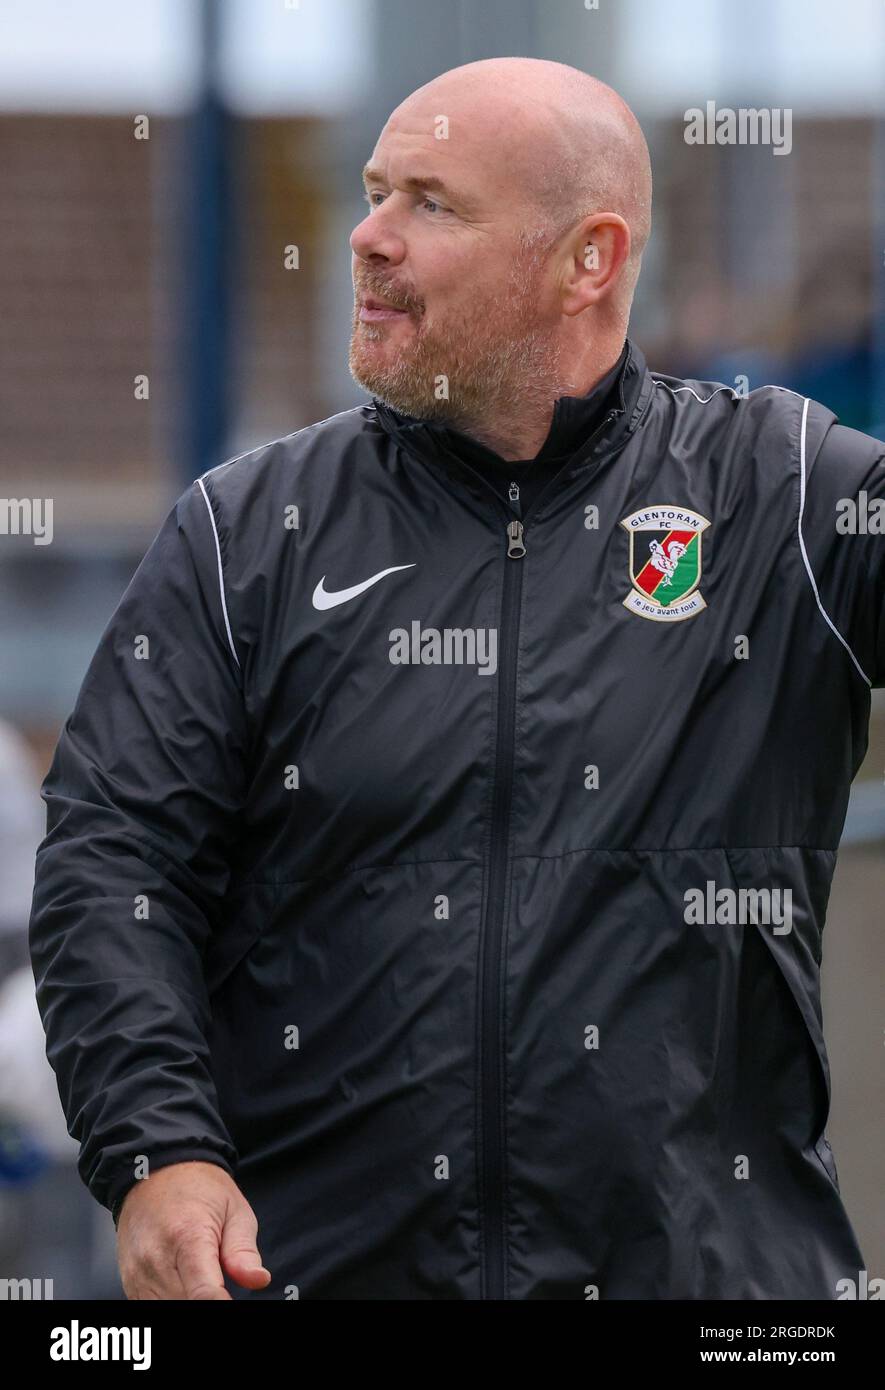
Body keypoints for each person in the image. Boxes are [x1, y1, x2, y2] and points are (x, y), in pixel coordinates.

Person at [29, 57, 884, 1300]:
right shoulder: (246, 530)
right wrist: (158, 1150)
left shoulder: (782, 494)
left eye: (429, 203)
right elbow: (115, 861)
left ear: (587, 259)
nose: (367, 238)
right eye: (376, 192)